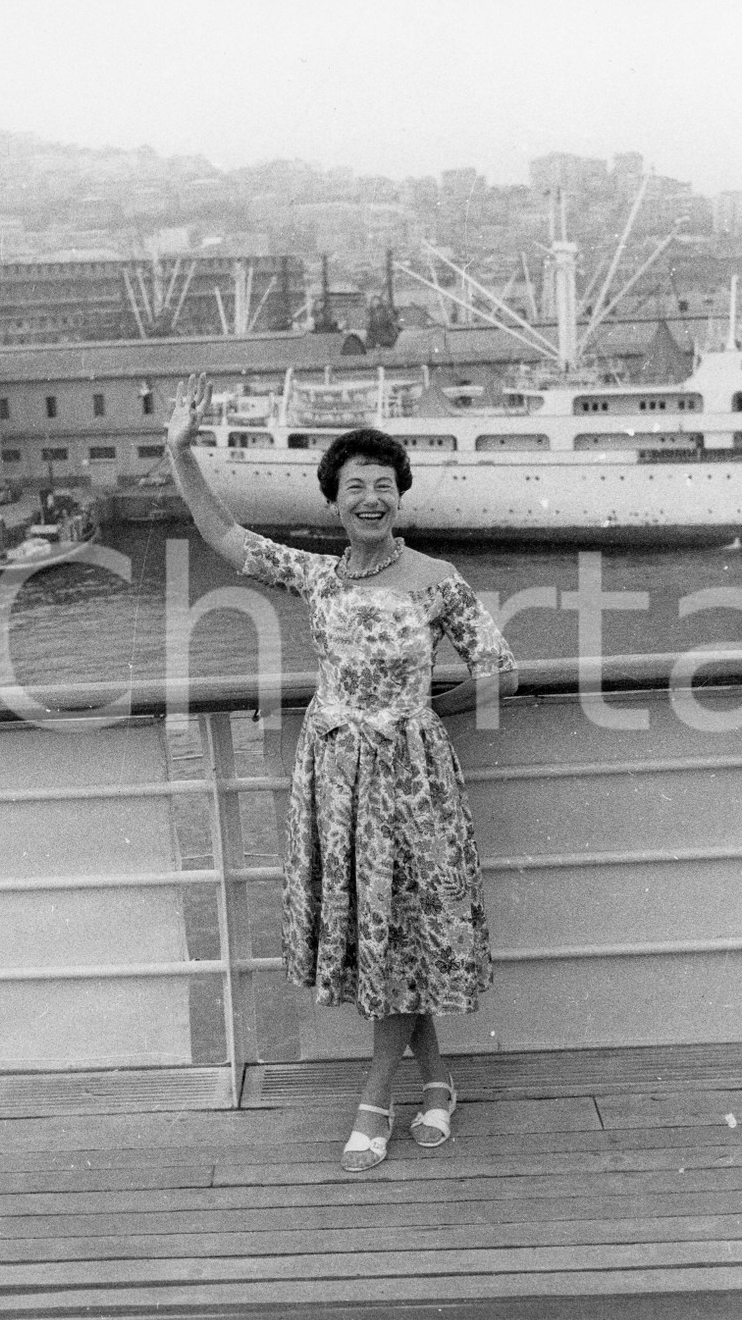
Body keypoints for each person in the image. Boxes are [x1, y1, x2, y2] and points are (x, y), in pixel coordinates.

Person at [167, 372, 517, 1172]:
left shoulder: (437, 579)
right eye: (355, 486)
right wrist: (180, 452)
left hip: (411, 781)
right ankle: (437, 1081)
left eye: (383, 485)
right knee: (380, 933)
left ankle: (375, 1095)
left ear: (400, 496)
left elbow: (499, 671)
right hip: (333, 782)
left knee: (403, 931)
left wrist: (418, 714)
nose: (370, 498)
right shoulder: (318, 577)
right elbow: (224, 535)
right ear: (333, 503)